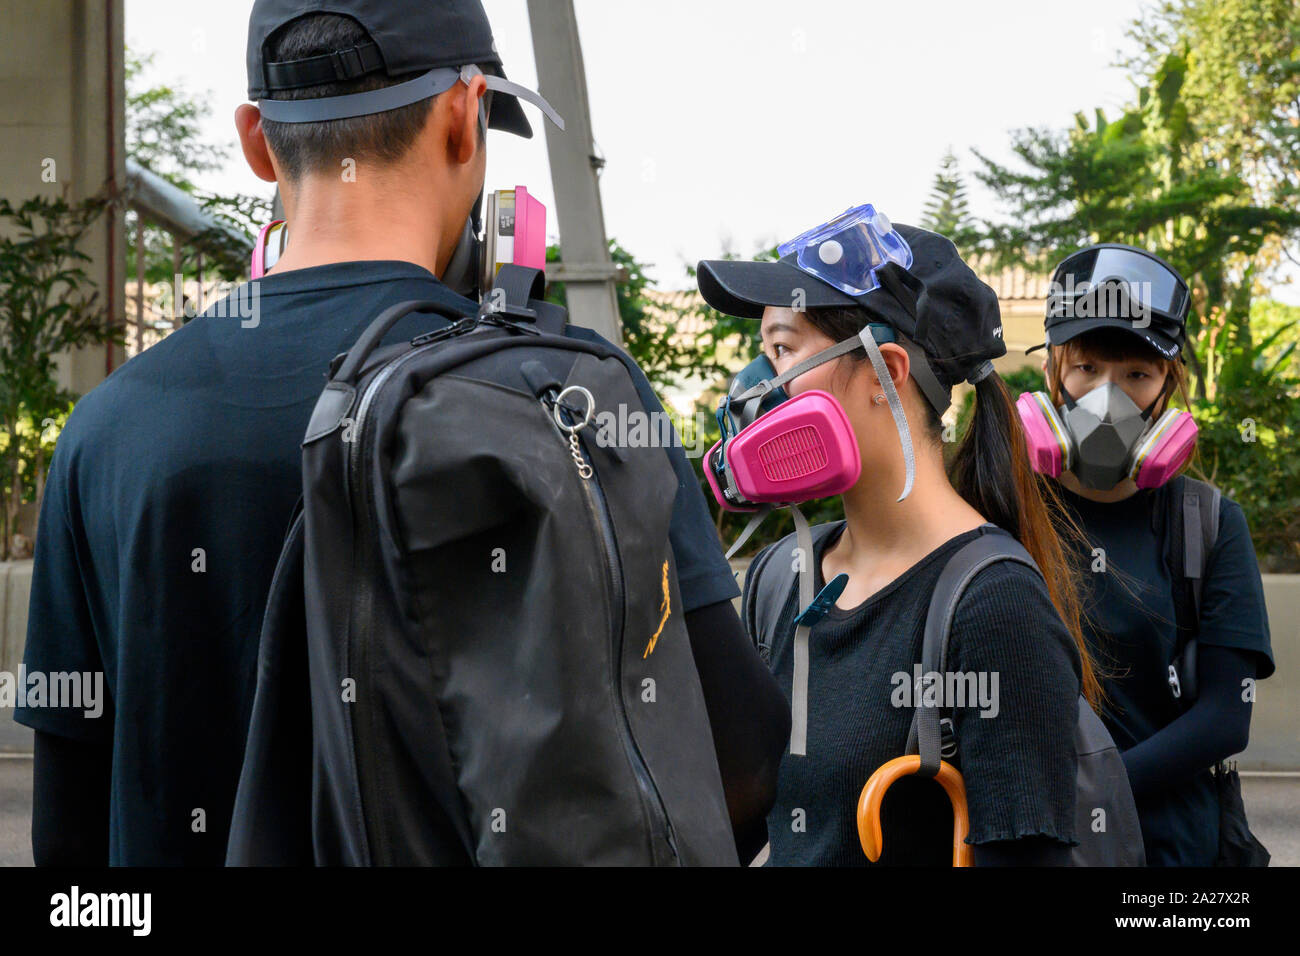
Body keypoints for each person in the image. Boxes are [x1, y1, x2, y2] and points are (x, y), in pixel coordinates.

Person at [17, 0, 787, 865]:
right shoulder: (568, 393)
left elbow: (68, 840)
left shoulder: (104, 429)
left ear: (257, 139)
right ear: (465, 116)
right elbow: (742, 764)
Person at [698, 213, 1096, 866]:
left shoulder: (994, 608)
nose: (753, 391)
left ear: (885, 372)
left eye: (782, 351)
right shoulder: (779, 578)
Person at [1029, 244, 1274, 865]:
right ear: (1054, 371)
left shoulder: (1208, 523)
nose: (1107, 398)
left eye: (1137, 374)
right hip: (1028, 842)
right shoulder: (1002, 507)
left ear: (1169, 384)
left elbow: (1225, 718)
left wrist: (1084, 795)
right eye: (1087, 368)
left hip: (1168, 853)